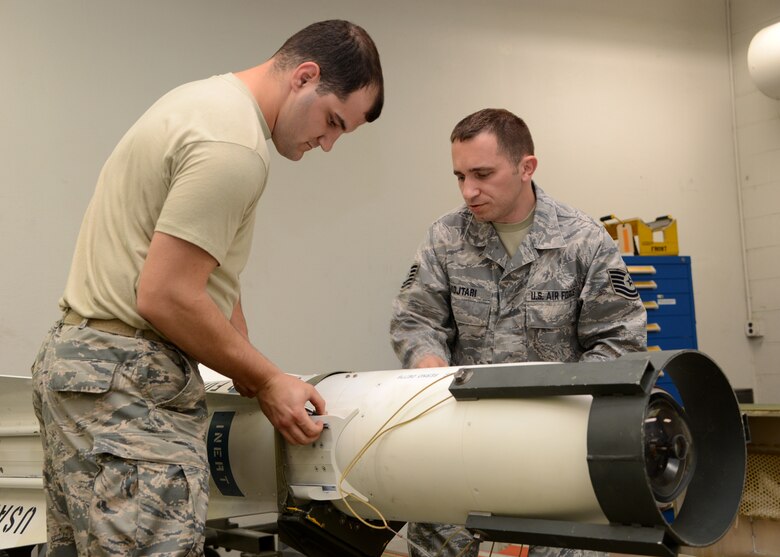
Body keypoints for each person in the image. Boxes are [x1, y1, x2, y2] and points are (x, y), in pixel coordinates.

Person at [31, 20, 383, 557]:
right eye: (333, 121)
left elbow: (203, 268)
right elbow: (166, 295)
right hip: (129, 387)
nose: (328, 143)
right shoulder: (234, 147)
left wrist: (245, 362)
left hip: (81, 370)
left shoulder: (202, 103)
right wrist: (268, 380)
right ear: (305, 77)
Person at [390, 108, 647, 557]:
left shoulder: (583, 240)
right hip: (460, 444)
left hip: (555, 452)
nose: (469, 191)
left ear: (526, 167)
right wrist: (428, 368)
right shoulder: (446, 237)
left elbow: (619, 339)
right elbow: (416, 320)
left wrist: (566, 403)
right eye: (460, 176)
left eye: (482, 174)